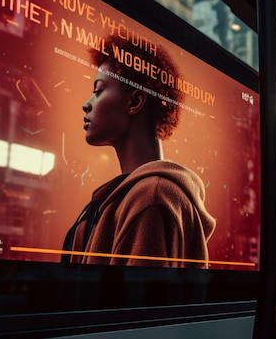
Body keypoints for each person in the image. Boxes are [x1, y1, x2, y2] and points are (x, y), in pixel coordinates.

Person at [62, 34, 216, 268]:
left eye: (98, 90)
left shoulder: (151, 196)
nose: (87, 103)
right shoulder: (134, 194)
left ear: (134, 102)